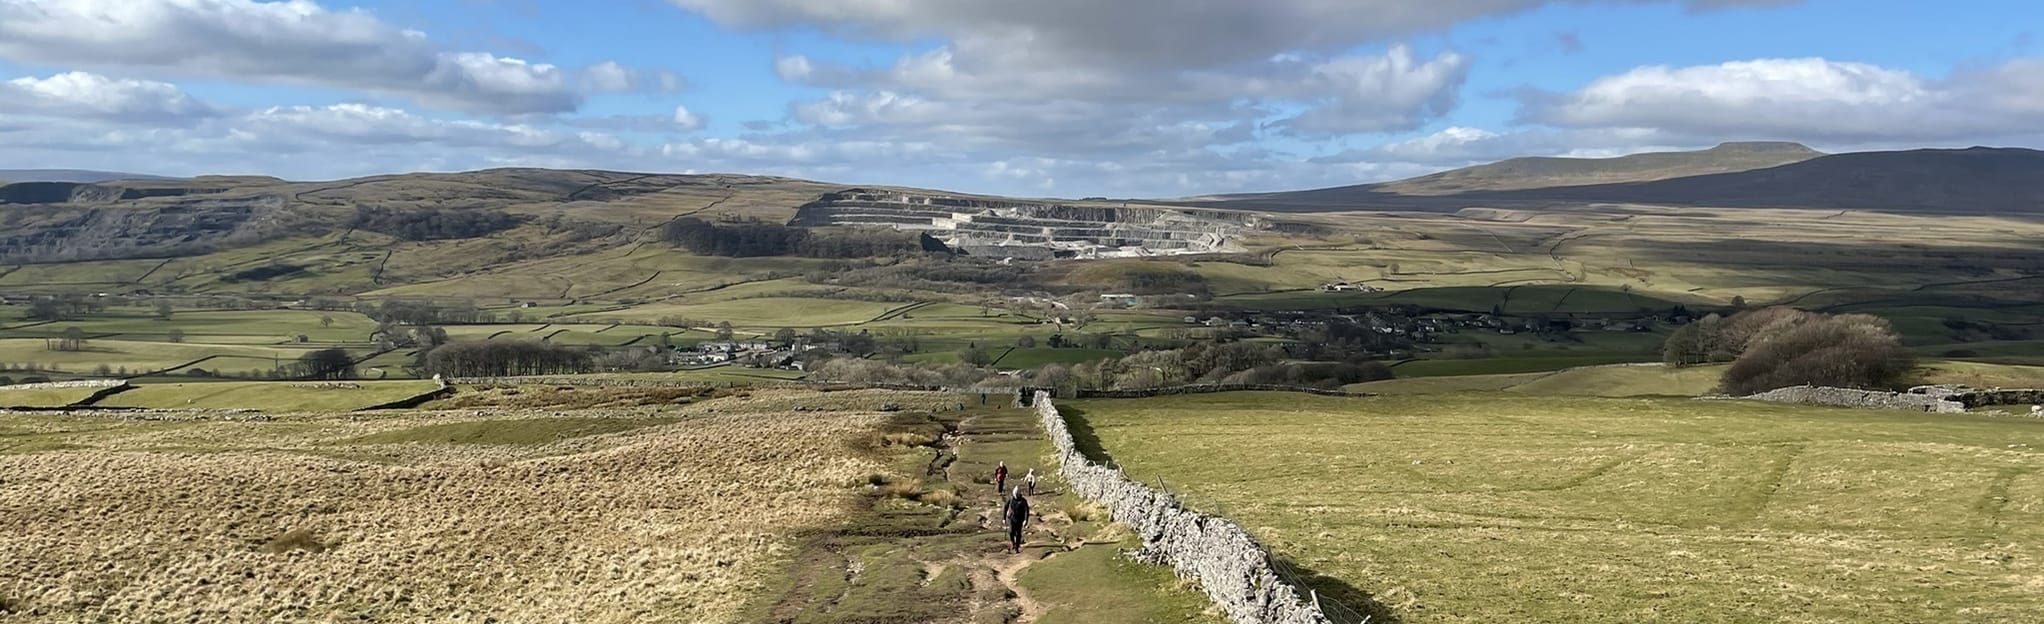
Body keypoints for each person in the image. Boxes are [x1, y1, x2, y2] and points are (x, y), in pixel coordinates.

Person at [1003, 487, 1030, 554]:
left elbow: (1026, 510)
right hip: (1011, 518)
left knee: (1018, 534)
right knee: (1011, 531)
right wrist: (1004, 518)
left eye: (1016, 494)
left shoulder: (1023, 501)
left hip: (1020, 519)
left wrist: (1025, 520)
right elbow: (1005, 507)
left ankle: (1017, 547)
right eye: (1014, 494)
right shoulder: (1010, 499)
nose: (1015, 496)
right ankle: (1013, 543)